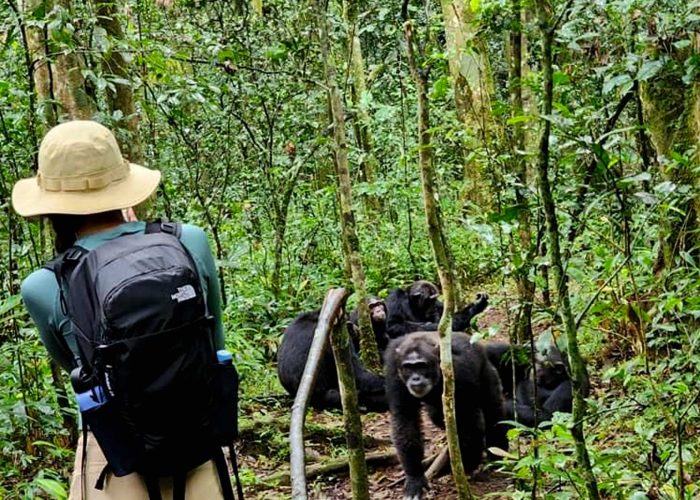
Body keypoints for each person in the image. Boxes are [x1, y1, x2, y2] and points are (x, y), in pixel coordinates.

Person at [12, 120, 229, 499]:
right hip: (198, 435)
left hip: (116, 455)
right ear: (123, 186)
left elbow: (77, 366)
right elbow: (214, 341)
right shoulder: (189, 241)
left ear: (50, 208)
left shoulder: (43, 286)